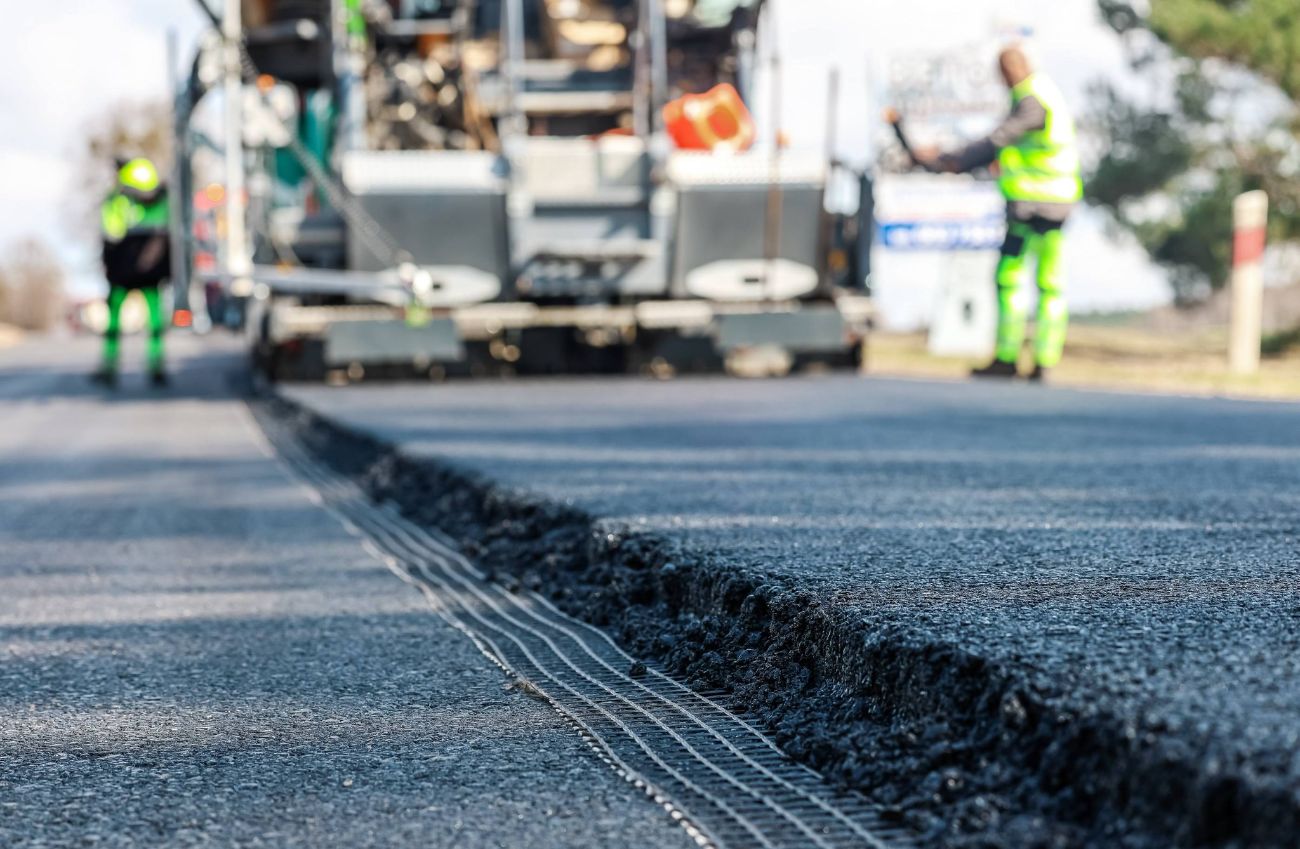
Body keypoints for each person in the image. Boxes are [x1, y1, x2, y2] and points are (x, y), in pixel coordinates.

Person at [919, 45, 1082, 381]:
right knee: (1049, 281)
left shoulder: (1031, 98)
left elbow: (999, 139)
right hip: (1058, 202)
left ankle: (1011, 356)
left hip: (1031, 206)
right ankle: (1042, 359)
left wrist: (956, 160)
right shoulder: (1045, 92)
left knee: (1011, 277)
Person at [94, 157, 171, 387]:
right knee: (155, 320)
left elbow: (112, 231)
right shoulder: (161, 199)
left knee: (115, 321)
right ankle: (156, 365)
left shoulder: (117, 199)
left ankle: (110, 367)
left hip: (123, 269)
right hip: (152, 268)